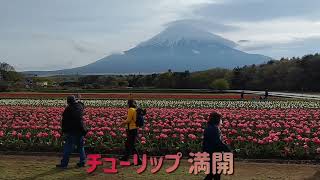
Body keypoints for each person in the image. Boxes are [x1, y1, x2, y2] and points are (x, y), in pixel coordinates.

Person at [56, 95, 87, 169]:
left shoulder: (68, 109)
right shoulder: (79, 107)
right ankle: (82, 162)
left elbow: (64, 122)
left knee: (68, 147)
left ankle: (64, 164)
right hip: (80, 130)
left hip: (71, 131)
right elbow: (81, 104)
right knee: (80, 147)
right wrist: (79, 99)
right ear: (75, 101)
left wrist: (63, 131)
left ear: (68, 102)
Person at [203, 112, 231, 180]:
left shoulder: (210, 127)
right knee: (213, 174)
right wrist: (227, 149)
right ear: (217, 119)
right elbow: (217, 143)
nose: (221, 121)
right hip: (213, 154)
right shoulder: (214, 129)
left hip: (211, 153)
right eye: (220, 119)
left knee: (215, 174)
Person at [119, 99, 142, 165]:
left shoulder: (130, 109)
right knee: (127, 144)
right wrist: (125, 117)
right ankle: (126, 157)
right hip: (134, 129)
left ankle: (138, 160)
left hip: (131, 129)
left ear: (129, 104)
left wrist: (122, 123)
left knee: (131, 145)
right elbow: (131, 117)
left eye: (127, 103)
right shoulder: (134, 109)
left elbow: (129, 120)